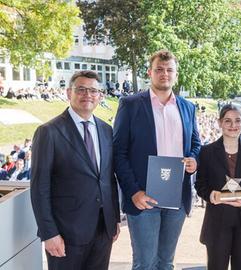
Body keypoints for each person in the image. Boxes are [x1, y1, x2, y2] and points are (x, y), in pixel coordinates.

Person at [113, 49, 201, 270]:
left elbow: (196, 145)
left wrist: (194, 160)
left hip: (176, 198)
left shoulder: (188, 107)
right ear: (149, 73)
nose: (165, 74)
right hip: (144, 197)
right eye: (159, 70)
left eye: (169, 70)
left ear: (176, 74)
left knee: (166, 262)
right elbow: (119, 153)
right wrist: (133, 192)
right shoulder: (131, 104)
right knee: (145, 263)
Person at [30, 70, 120, 270]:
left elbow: (108, 178)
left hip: (102, 230)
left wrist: (113, 220)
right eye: (81, 89)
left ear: (100, 96)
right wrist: (49, 233)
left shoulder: (106, 130)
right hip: (65, 234)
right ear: (69, 93)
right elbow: (39, 187)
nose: (87, 95)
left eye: (93, 91)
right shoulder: (49, 132)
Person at [195, 104, 241, 270]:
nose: (233, 125)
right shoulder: (207, 151)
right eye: (227, 121)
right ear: (220, 123)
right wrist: (210, 195)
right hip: (217, 221)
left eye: (237, 120)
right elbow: (200, 184)